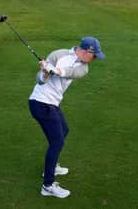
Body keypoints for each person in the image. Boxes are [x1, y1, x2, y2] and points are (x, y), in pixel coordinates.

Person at [28, 36, 105, 198]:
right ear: (86, 51)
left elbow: (70, 73)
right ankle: (48, 185)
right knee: (57, 142)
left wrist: (55, 70)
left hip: (52, 103)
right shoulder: (58, 55)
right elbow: (40, 81)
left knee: (64, 130)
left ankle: (52, 164)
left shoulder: (83, 68)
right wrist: (45, 71)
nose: (95, 58)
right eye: (94, 55)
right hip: (40, 103)